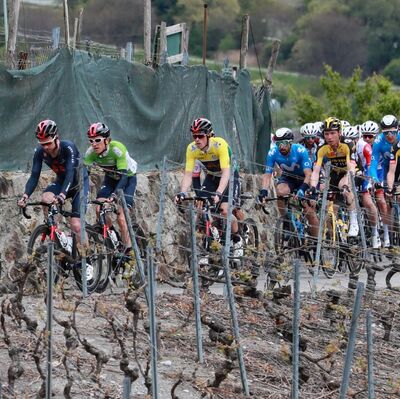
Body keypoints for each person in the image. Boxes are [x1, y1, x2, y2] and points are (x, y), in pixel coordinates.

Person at [174, 117, 242, 248]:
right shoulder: (192, 149)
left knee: (225, 210)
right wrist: (182, 192)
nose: (197, 139)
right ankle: (210, 242)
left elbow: (226, 173)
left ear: (209, 135)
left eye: (200, 136)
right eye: (194, 136)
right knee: (201, 207)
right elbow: (188, 175)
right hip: (211, 177)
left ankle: (237, 238)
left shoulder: (219, 144)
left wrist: (218, 193)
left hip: (229, 177)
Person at [18, 119, 88, 243]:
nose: (45, 147)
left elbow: (70, 173)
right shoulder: (40, 152)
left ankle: (86, 260)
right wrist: (25, 196)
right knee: (46, 199)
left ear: (57, 138)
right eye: (42, 143)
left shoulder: (68, 147)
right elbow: (34, 176)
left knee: (76, 225)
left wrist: (62, 194)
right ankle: (57, 238)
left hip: (79, 184)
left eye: (48, 143)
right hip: (61, 182)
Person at [84, 122, 138, 254]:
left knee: (121, 217)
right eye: (91, 141)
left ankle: (129, 251)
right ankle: (114, 239)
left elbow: (124, 176)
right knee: (99, 209)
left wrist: (114, 196)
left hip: (127, 179)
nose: (94, 144)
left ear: (107, 140)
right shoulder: (90, 153)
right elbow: (84, 176)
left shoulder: (117, 149)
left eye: (97, 140)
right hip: (110, 180)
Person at [259, 127, 319, 239]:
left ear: (290, 142)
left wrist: (302, 189)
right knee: (280, 192)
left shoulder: (300, 150)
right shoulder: (272, 152)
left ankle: (317, 244)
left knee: (310, 210)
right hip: (288, 178)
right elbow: (267, 175)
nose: (281, 146)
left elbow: (309, 174)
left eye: (284, 143)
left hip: (304, 178)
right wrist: (263, 191)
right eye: (278, 143)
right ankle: (286, 222)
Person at [308, 117, 359, 237]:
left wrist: (347, 184)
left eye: (332, 133)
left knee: (345, 188)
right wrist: (312, 188)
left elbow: (350, 167)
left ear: (339, 133)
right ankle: (334, 236)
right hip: (334, 173)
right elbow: (315, 171)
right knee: (324, 196)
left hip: (350, 171)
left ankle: (354, 222)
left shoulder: (347, 144)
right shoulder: (322, 148)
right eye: (326, 134)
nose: (329, 137)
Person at [369, 114, 400, 247]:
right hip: (390, 169)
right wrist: (375, 180)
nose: (389, 135)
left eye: (392, 132)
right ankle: (389, 235)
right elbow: (373, 164)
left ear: (397, 129)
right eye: (386, 132)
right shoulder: (378, 142)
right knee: (387, 198)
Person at [355, 121, 381, 248]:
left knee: (382, 200)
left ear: (376, 136)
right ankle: (373, 231)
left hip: (382, 173)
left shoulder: (380, 144)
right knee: (367, 202)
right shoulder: (361, 145)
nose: (367, 139)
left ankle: (380, 233)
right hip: (368, 174)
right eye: (364, 136)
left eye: (370, 136)